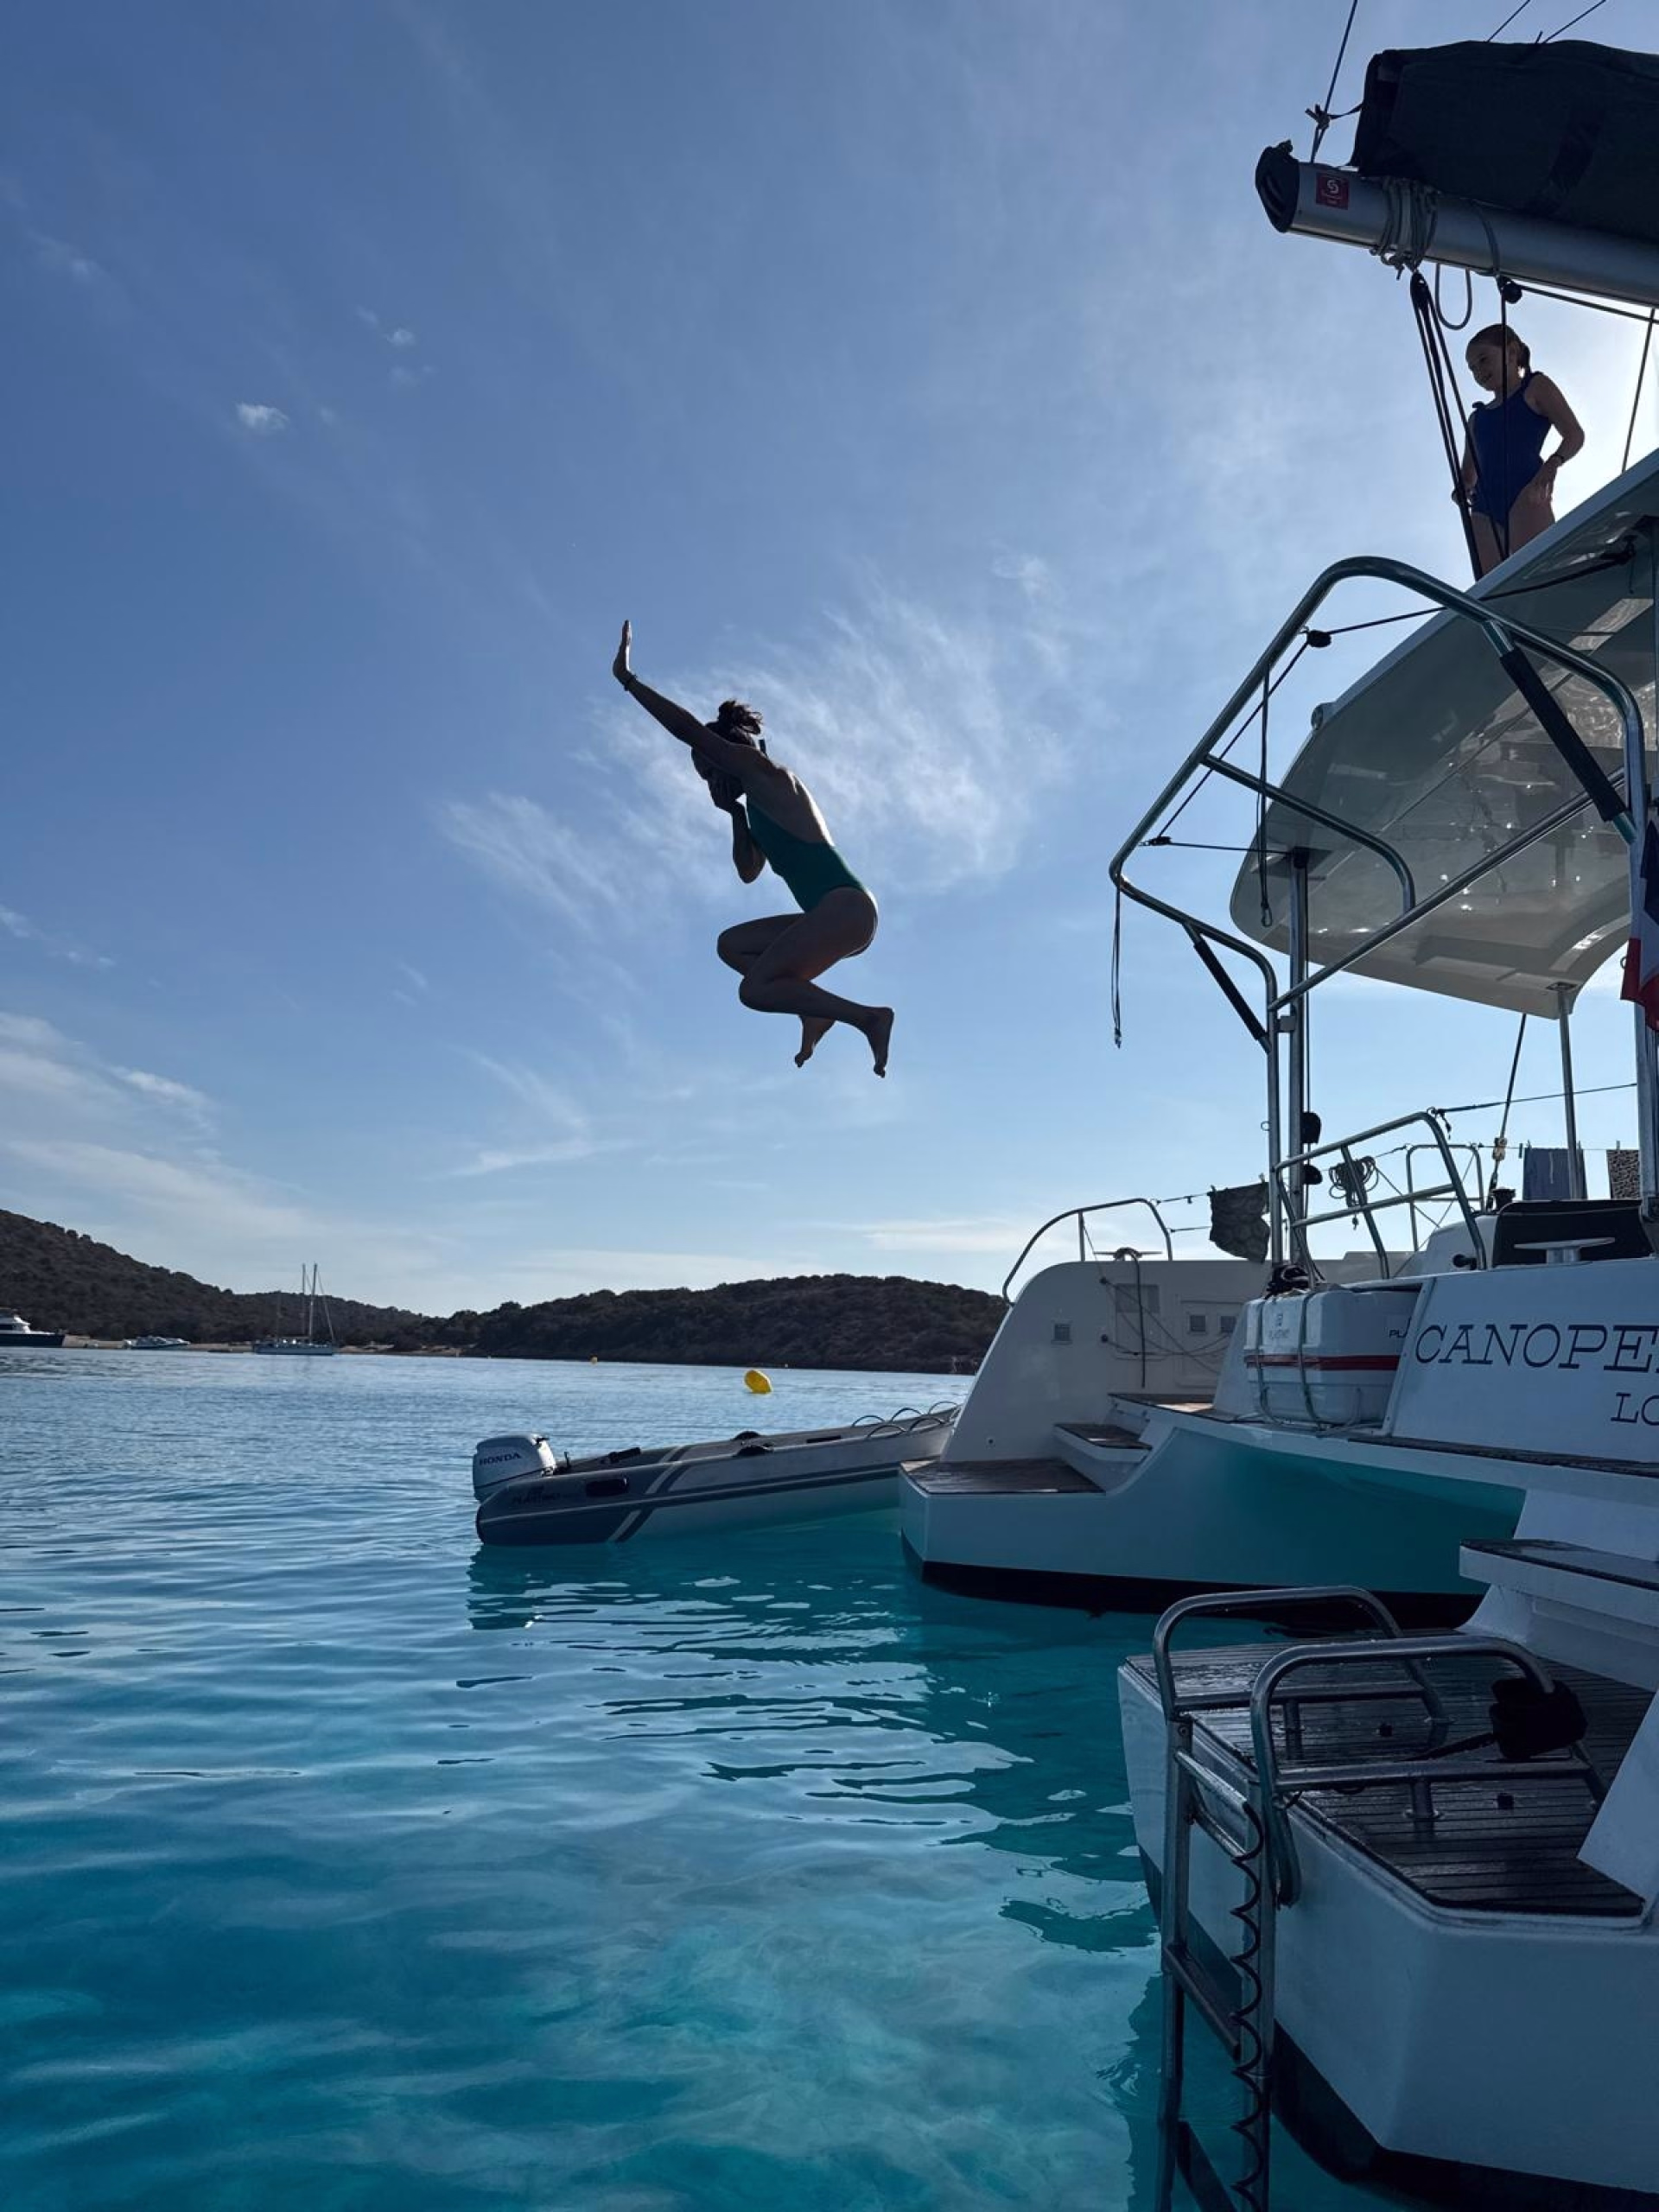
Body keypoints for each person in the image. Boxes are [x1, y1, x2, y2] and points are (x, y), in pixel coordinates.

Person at [612, 621, 893, 1075]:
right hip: (831, 914)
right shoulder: (756, 807)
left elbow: (685, 729)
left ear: (726, 754)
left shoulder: (768, 776)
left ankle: (868, 1018)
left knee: (754, 991)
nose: (711, 783)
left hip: (847, 909)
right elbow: (748, 872)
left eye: (710, 771)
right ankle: (814, 1009)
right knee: (733, 947)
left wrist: (628, 680)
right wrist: (734, 815)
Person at [1459, 323, 1584, 577]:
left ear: (1512, 352)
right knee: (1493, 590)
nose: (1479, 372)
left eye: (1484, 360)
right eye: (1472, 369)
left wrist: (1553, 464)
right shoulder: (1476, 419)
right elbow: (1468, 475)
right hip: (1484, 509)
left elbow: (1574, 435)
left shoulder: (1536, 387)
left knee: (1537, 574)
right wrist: (1461, 489)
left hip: (1528, 491)